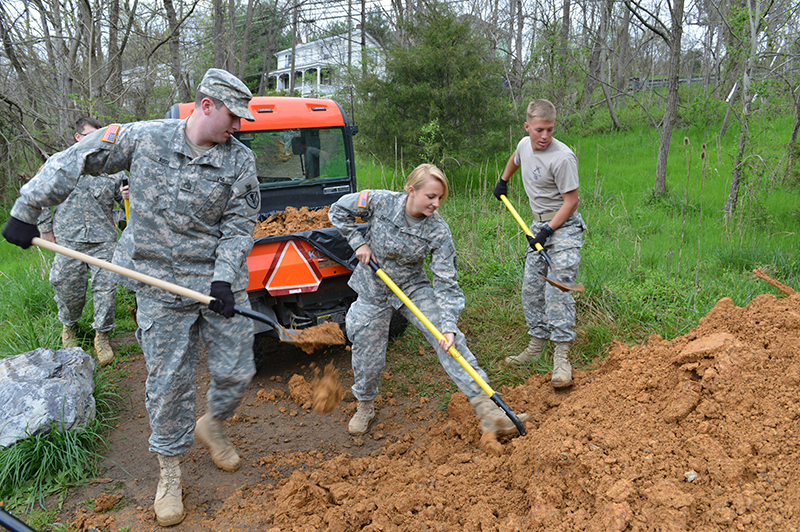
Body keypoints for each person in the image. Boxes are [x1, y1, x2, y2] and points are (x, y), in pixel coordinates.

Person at [2, 68, 261, 527]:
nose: (237, 127)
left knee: (238, 368)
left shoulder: (239, 161)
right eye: (232, 117)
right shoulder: (144, 138)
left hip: (217, 285)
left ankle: (213, 423)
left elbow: (240, 224)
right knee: (168, 382)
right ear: (206, 105)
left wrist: (223, 278)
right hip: (157, 284)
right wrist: (28, 208)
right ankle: (170, 471)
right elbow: (75, 157)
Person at [329, 163, 529, 437]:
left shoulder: (438, 231)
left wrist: (447, 325)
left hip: (411, 286)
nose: (436, 204)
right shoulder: (380, 201)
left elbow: (446, 281)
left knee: (450, 341)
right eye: (430, 197)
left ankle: (489, 410)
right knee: (366, 349)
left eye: (440, 198)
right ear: (411, 190)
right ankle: (365, 404)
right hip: (373, 286)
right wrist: (358, 243)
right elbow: (338, 210)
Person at [492, 99, 586, 388]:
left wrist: (547, 231)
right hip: (537, 225)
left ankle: (561, 358)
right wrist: (503, 180)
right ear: (527, 127)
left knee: (557, 288)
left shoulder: (563, 158)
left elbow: (572, 201)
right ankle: (535, 346)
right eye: (539, 130)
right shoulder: (523, 144)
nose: (544, 136)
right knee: (531, 289)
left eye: (550, 130)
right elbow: (515, 158)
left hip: (563, 227)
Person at [38, 117, 126, 366]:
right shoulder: (59, 164)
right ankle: (69, 328)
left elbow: (125, 208)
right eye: (91, 134)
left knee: (106, 292)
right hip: (68, 240)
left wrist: (129, 198)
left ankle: (102, 336)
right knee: (67, 289)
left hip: (103, 241)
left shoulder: (112, 168)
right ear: (78, 137)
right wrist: (46, 230)